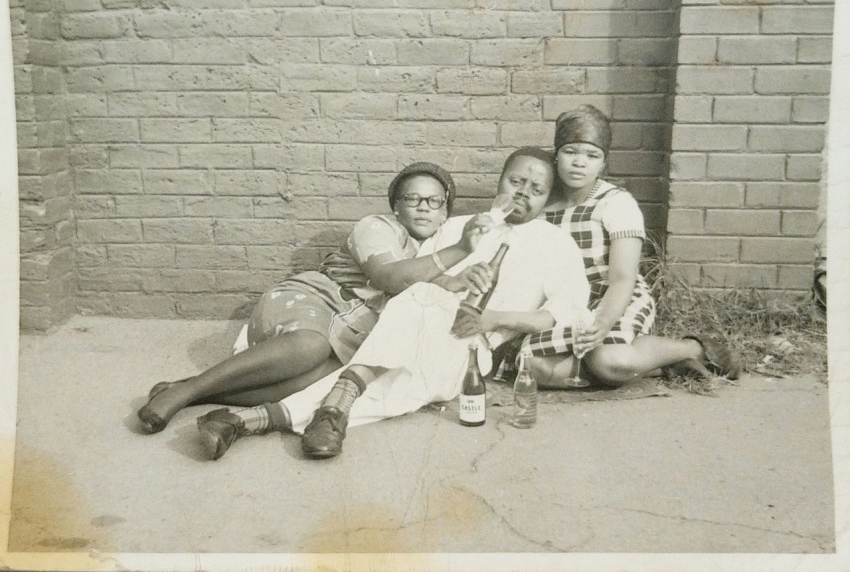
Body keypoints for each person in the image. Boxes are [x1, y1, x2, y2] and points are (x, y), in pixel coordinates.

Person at [195, 147, 592, 460]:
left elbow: (562, 313)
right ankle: (308, 413)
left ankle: (258, 417)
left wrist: (492, 318)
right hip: (420, 315)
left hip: (472, 347)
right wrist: (453, 280)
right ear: (500, 180)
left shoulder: (556, 245)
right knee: (419, 303)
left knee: (402, 388)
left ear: (548, 199)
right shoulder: (458, 227)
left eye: (535, 189)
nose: (522, 193)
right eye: (515, 181)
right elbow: (418, 279)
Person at [136, 162, 493, 444]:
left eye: (434, 202)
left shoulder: (433, 251)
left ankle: (194, 393)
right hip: (315, 299)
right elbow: (389, 278)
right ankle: (189, 390)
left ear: (446, 212)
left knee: (308, 383)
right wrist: (461, 250)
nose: (424, 209)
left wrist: (462, 280)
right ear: (395, 207)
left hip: (353, 332)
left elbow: (432, 288)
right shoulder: (377, 227)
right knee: (309, 347)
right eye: (412, 199)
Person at [520, 104, 742, 388]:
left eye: (591, 155)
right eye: (570, 151)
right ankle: (655, 364)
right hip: (568, 305)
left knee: (609, 360)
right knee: (531, 366)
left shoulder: (615, 203)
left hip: (615, 298)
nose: (579, 162)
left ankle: (693, 349)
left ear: (603, 164)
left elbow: (622, 278)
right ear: (556, 155)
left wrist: (602, 323)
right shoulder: (542, 204)